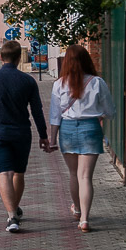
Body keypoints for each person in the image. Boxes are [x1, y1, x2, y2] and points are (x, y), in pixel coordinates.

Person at [0, 40, 52, 233]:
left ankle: (11, 217)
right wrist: (43, 135)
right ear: (19, 58)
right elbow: (37, 110)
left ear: (1, 57)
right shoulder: (28, 81)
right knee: (18, 172)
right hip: (21, 133)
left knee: (4, 173)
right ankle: (14, 210)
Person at [47, 44, 116, 232]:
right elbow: (110, 111)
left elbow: (55, 116)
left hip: (67, 130)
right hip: (90, 128)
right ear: (86, 60)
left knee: (73, 174)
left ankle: (77, 208)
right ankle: (84, 220)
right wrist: (99, 114)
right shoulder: (97, 82)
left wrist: (52, 140)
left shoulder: (58, 84)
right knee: (85, 176)